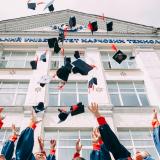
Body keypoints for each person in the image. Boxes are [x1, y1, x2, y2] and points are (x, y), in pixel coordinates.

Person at [88, 102, 155, 160]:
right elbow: (113, 143)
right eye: (139, 152)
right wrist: (99, 143)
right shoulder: (125, 156)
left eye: (140, 153)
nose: (137, 152)